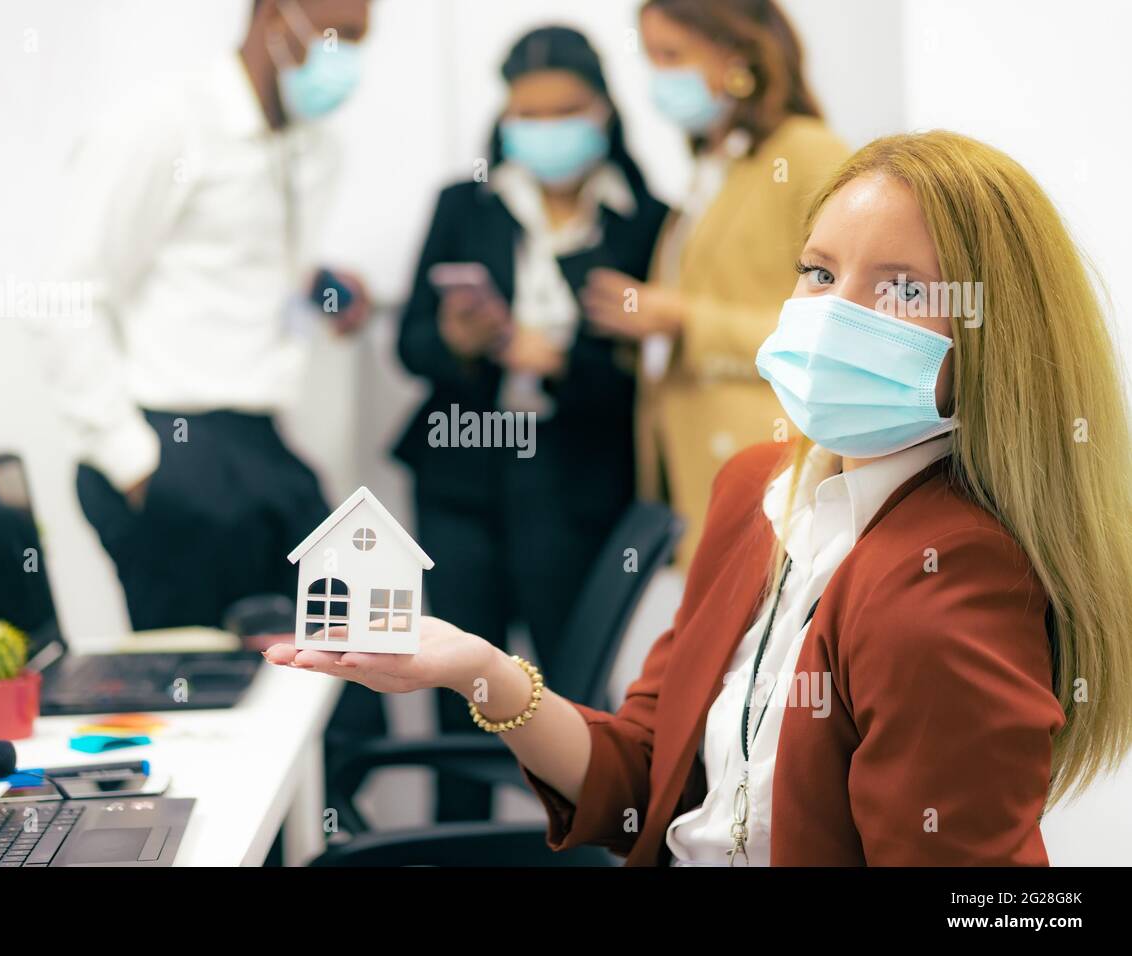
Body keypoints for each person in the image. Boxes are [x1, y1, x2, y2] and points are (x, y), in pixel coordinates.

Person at [268, 131, 1132, 865]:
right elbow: (646, 776)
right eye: (819, 272)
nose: (833, 315)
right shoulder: (758, 492)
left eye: (901, 290)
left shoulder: (950, 584)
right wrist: (476, 668)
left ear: (992, 341)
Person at [392, 26, 669, 821]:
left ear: (605, 111)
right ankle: (455, 841)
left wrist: (558, 362)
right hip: (463, 476)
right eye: (528, 113)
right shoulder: (464, 203)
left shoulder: (647, 220)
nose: (546, 128)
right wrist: (458, 342)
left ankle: (597, 835)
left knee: (574, 684)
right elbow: (412, 345)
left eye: (565, 111)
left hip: (577, 476)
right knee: (453, 681)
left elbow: (644, 384)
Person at [36, 0, 372, 632]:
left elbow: (246, 266)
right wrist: (133, 461)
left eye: (360, 40)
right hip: (174, 446)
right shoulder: (166, 123)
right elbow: (68, 293)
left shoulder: (313, 148)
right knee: (202, 695)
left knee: (346, 668)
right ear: (275, 16)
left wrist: (324, 289)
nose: (347, 59)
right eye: (337, 36)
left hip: (263, 443)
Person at [581, 0, 850, 567]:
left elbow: (839, 324)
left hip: (768, 460)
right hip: (697, 468)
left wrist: (682, 318)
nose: (660, 76)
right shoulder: (718, 166)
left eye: (673, 55)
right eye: (651, 57)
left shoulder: (806, 152)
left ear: (739, 52)